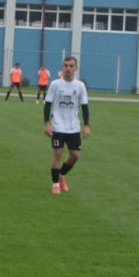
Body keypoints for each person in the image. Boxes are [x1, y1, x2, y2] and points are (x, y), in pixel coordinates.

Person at [43, 56, 91, 194]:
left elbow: (85, 107)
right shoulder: (55, 84)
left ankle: (62, 175)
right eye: (66, 65)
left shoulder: (80, 86)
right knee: (58, 154)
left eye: (71, 66)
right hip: (57, 125)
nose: (68, 68)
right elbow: (47, 104)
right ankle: (55, 184)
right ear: (62, 67)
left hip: (73, 126)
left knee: (75, 155)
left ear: (76, 68)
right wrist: (47, 123)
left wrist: (86, 125)